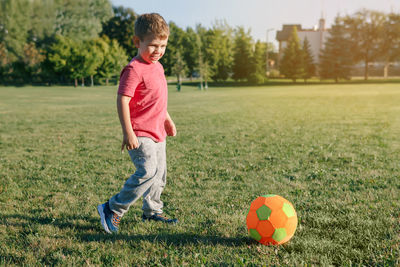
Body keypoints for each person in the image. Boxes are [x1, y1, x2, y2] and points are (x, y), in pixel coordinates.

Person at [97, 13, 178, 234]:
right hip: (140, 131)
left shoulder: (158, 67)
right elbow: (122, 99)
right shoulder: (134, 69)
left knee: (159, 174)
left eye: (162, 45)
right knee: (148, 170)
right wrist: (128, 132)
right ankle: (113, 208)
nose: (158, 51)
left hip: (157, 131)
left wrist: (167, 120)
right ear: (137, 41)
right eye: (152, 45)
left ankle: (152, 210)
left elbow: (157, 100)